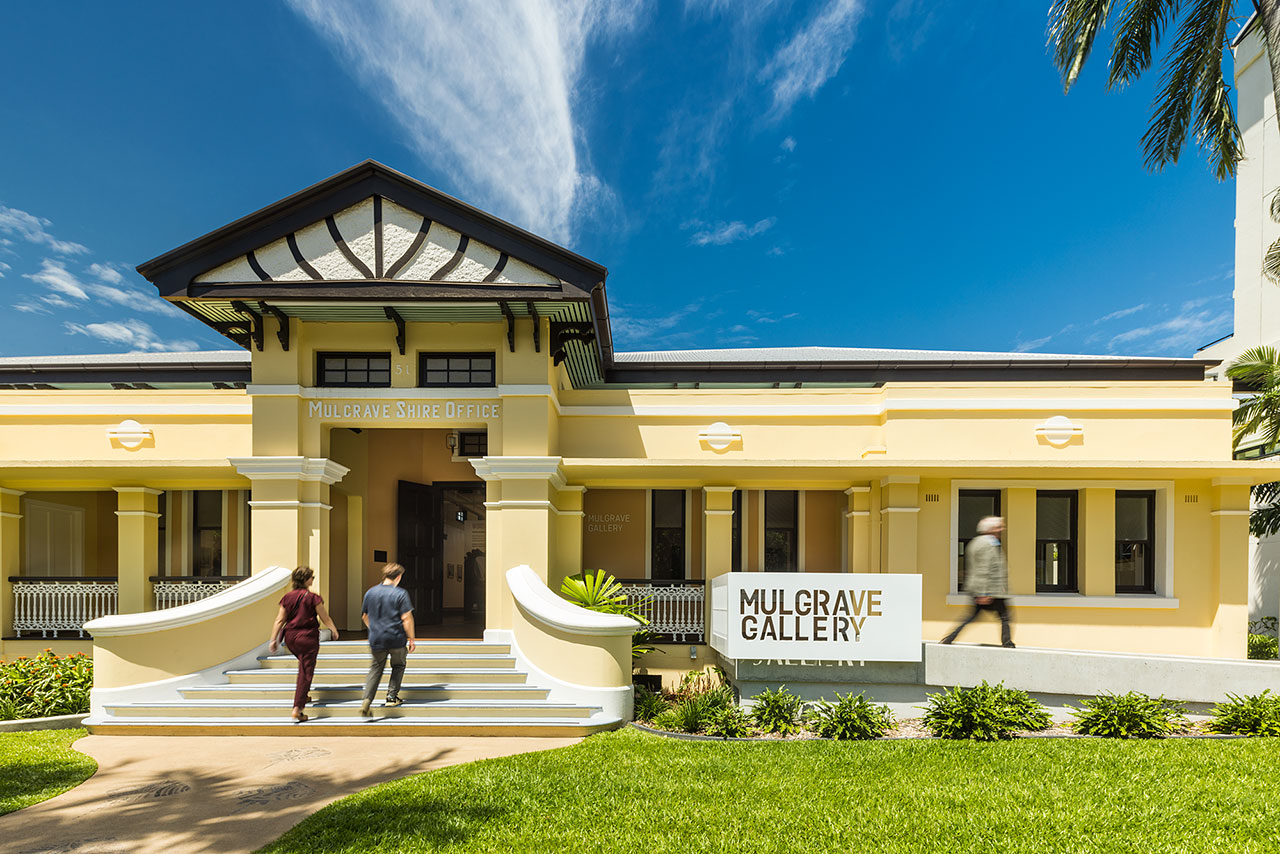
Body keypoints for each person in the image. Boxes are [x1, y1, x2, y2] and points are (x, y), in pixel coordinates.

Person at [268, 566, 340, 722]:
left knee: (303, 665)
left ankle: (304, 694)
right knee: (306, 672)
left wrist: (273, 639)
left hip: (291, 638)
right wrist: (333, 629)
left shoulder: (287, 597)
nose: (313, 579)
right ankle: (298, 709)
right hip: (307, 637)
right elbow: (324, 617)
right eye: (311, 577)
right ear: (306, 579)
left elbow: (280, 619)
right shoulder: (313, 598)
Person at [940, 516, 1015, 648]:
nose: (1001, 529)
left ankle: (950, 638)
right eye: (999, 527)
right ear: (991, 529)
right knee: (1004, 617)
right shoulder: (987, 545)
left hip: (985, 589)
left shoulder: (977, 543)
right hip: (990, 591)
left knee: (971, 617)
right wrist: (983, 593)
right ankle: (1007, 643)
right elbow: (983, 569)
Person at [359, 562, 416, 716]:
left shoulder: (370, 592)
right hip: (396, 637)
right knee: (398, 665)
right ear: (398, 577)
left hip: (377, 638)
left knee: (376, 669)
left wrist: (374, 629)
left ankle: (367, 700)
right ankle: (391, 696)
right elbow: (406, 618)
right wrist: (411, 638)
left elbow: (365, 616)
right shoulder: (400, 593)